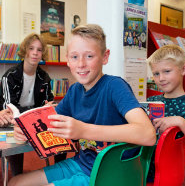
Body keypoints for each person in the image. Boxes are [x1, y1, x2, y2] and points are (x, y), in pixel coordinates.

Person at [8, 24, 156, 186]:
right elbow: (50, 126)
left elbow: (148, 134)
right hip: (81, 164)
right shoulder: (74, 92)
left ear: (105, 57)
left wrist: (83, 130)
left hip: (111, 174)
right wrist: (24, 131)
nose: (81, 64)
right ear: (68, 60)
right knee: (16, 182)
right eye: (74, 57)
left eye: (89, 56)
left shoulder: (115, 86)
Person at [0, 33, 54, 176]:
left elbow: (49, 103)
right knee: (17, 132)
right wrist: (36, 110)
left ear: (43, 54)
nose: (35, 53)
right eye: (31, 48)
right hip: (11, 122)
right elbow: (9, 108)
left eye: (39, 49)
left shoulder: (45, 78)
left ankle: (59, 171)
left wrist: (46, 108)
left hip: (34, 120)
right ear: (24, 51)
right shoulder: (9, 76)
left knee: (60, 129)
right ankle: (17, 176)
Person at [147, 44, 185, 182]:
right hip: (142, 168)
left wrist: (181, 122)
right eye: (156, 73)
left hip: (168, 174)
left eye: (167, 71)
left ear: (183, 69)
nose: (161, 78)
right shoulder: (152, 101)